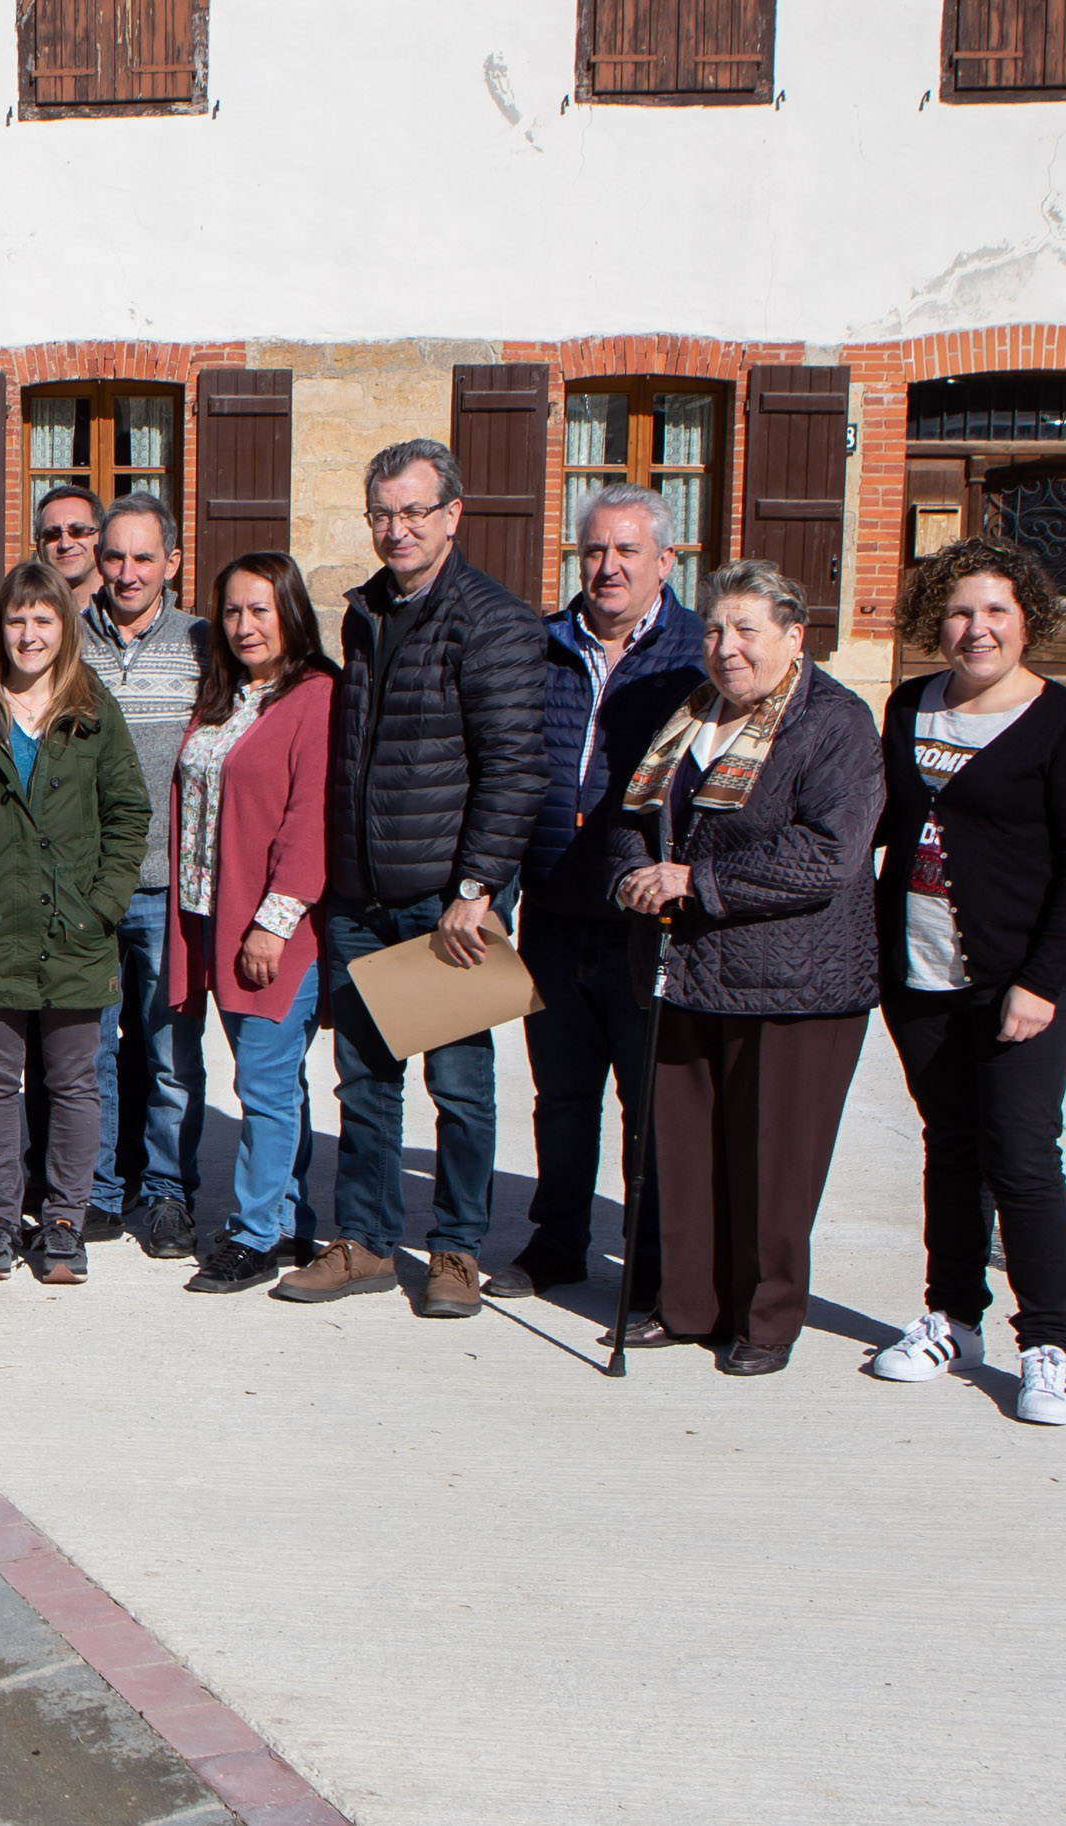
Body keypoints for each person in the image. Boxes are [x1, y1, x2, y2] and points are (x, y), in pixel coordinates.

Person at [282, 439, 545, 1318]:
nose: (397, 530)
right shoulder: (363, 614)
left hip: (446, 903)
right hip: (360, 893)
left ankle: (455, 1252)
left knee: (460, 1087)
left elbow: (514, 765)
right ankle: (361, 1240)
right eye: (383, 514)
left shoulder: (491, 620)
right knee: (362, 1081)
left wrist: (476, 887)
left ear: (451, 516)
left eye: (414, 512)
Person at [865, 537, 1066, 1427]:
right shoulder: (907, 707)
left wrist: (1040, 981)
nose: (976, 629)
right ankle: (952, 1317)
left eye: (996, 612)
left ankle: (1047, 1344)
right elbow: (880, 824)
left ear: (1027, 623)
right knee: (951, 1144)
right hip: (921, 970)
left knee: (1019, 1153)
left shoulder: (1065, 725)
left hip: (1022, 977)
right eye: (959, 611)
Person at [605, 560, 883, 1378]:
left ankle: (766, 1320)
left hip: (791, 982)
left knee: (772, 1161)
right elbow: (636, 815)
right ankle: (689, 1304)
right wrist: (632, 872)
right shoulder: (687, 714)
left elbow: (827, 854)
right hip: (684, 966)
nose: (726, 648)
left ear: (793, 638)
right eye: (715, 631)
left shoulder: (833, 723)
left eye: (746, 631)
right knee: (683, 1149)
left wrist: (697, 882)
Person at [0, 559, 147, 1286]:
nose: (27, 633)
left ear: (64, 627)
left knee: (75, 1080)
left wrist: (103, 904)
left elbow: (128, 811)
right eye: (16, 619)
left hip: (73, 930)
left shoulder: (91, 709)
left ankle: (62, 1220)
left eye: (42, 619)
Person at [503, 484, 704, 1302]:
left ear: (664, 561)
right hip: (550, 904)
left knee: (647, 1099)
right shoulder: (540, 645)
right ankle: (556, 1241)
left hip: (642, 918)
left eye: (626, 551)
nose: (607, 566)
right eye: (593, 550)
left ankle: (651, 1261)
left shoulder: (695, 653)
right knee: (561, 1095)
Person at [162, 553, 336, 1296]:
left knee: (264, 1088)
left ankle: (253, 1235)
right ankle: (289, 1218)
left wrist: (273, 924)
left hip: (268, 927)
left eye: (259, 609)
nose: (243, 626)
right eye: (231, 612)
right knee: (274, 1084)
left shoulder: (313, 697)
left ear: (290, 612)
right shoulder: (226, 698)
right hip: (208, 916)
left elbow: (310, 822)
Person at [79, 493, 204, 1256]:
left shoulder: (201, 644)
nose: (126, 573)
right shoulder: (67, 640)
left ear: (172, 564)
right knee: (85, 1051)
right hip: (89, 888)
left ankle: (164, 1194)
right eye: (114, 557)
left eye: (142, 558)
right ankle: (93, 1191)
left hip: (166, 885)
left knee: (167, 1054)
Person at [32, 485, 105, 611]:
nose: (65, 544)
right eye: (52, 535)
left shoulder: (126, 618)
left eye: (78, 531)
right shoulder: (27, 621)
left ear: (102, 538)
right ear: (39, 550)